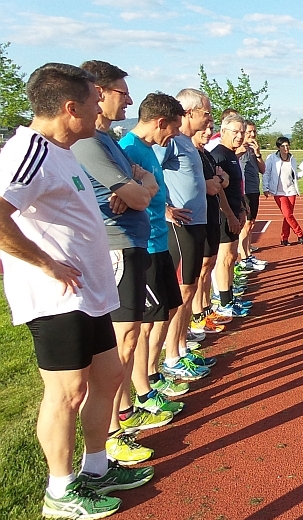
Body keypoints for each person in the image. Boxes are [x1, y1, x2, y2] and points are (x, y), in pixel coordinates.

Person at [0, 63, 153, 520]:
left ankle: (96, 467)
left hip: (88, 294)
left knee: (106, 379)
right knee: (67, 392)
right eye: (92, 104)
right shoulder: (28, 151)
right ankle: (60, 490)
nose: (103, 113)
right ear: (71, 108)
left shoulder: (63, 151)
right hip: (56, 297)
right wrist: (46, 263)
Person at [72, 61, 169, 465]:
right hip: (113, 248)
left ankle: (118, 421)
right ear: (98, 91)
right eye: (120, 91)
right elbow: (140, 192)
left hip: (130, 243)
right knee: (120, 341)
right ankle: (112, 429)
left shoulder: (108, 139)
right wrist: (137, 188)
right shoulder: (89, 144)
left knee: (126, 340)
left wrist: (138, 186)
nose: (128, 99)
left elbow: (145, 184)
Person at [119, 93, 191, 424]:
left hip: (159, 244)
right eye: (174, 127)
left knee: (165, 312)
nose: (175, 134)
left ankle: (152, 375)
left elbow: (151, 192)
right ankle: (142, 393)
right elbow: (125, 198)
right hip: (143, 248)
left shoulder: (147, 151)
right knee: (142, 327)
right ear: (160, 122)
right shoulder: (131, 150)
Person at [154, 88, 218, 383]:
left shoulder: (188, 144)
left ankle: (179, 348)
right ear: (189, 111)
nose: (209, 118)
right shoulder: (171, 141)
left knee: (188, 292)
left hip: (196, 223)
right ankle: (171, 357)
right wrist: (166, 208)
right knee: (180, 293)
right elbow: (145, 168)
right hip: (179, 228)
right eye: (206, 112)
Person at [189, 123, 232, 339]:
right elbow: (215, 184)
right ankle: (198, 314)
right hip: (198, 218)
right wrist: (218, 181)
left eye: (210, 128)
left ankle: (206, 309)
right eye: (203, 129)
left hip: (211, 214)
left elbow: (222, 181)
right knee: (201, 269)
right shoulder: (192, 154)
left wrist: (220, 180)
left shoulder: (206, 155)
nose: (208, 133)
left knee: (208, 265)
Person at [209, 113, 250, 318]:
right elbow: (220, 190)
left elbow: (234, 187)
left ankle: (231, 297)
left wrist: (241, 208)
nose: (240, 136)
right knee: (225, 258)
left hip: (234, 211)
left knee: (232, 257)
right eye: (235, 132)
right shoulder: (219, 155)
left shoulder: (232, 154)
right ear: (223, 131)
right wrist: (231, 216)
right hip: (224, 215)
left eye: (242, 132)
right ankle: (224, 301)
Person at [263, 136, 303, 246]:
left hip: (291, 191)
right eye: (283, 146)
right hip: (278, 192)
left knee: (287, 216)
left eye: (287, 145)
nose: (286, 148)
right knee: (288, 214)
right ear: (278, 147)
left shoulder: (292, 159)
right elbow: (266, 173)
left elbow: (294, 176)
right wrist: (265, 188)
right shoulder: (272, 158)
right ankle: (299, 233)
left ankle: (284, 238)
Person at [237, 120, 267, 267]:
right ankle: (244, 257)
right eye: (249, 132)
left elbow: (263, 169)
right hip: (244, 190)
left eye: (254, 131)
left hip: (254, 188)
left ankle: (247, 251)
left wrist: (257, 153)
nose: (252, 134)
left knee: (251, 223)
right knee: (246, 224)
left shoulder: (253, 149)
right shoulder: (239, 148)